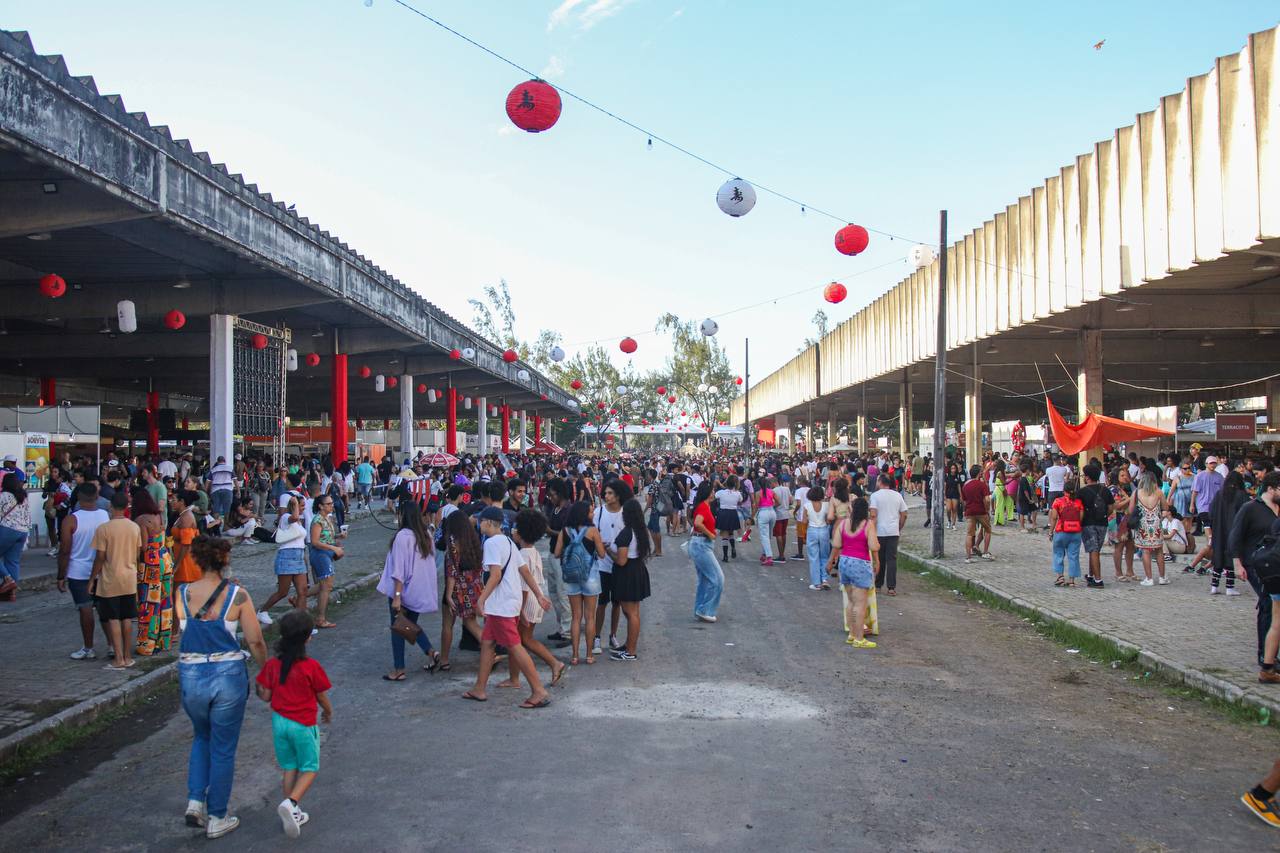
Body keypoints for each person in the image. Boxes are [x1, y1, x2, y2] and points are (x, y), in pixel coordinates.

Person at [177, 536, 268, 839]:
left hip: (191, 674)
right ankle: (217, 815)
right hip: (227, 675)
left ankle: (194, 801)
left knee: (202, 737)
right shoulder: (238, 595)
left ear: (198, 560)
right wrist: (265, 672)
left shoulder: (181, 593)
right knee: (223, 748)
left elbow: (183, 630)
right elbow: (255, 640)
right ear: (224, 560)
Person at [461, 507, 552, 708]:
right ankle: (479, 688)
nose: (478, 523)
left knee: (514, 646)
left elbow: (495, 575)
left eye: (480, 520)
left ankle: (539, 690)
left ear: (489, 522)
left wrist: (481, 600)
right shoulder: (508, 542)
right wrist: (539, 594)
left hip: (501, 604)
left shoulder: (493, 543)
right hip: (505, 603)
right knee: (487, 643)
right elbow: (525, 571)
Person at [255, 609, 332, 838]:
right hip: (303, 724)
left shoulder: (272, 665)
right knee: (309, 768)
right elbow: (321, 696)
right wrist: (328, 712)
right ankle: (291, 803)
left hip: (280, 722)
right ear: (308, 637)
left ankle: (292, 811)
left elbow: (265, 695)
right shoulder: (310, 666)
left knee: (290, 766)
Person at [500, 509, 568, 685]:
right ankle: (514, 678)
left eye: (515, 528)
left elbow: (523, 587)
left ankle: (554, 663)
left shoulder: (522, 555)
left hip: (526, 601)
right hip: (533, 599)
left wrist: (520, 610)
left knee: (522, 640)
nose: (512, 531)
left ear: (521, 532)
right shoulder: (533, 551)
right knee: (520, 641)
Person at [1228, 470, 1280, 675]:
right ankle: (1265, 656)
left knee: (1270, 606)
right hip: (1255, 563)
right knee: (1268, 603)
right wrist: (1237, 564)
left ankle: (1270, 655)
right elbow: (1235, 536)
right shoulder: (1250, 508)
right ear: (1270, 488)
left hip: (1275, 564)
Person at [90, 491, 143, 670]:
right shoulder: (134, 527)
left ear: (111, 507)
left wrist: (92, 579)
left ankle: (118, 658)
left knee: (113, 618)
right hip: (129, 577)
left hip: (110, 578)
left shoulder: (104, 529)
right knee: (127, 618)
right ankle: (128, 657)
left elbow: (100, 557)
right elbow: (137, 553)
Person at [57, 483, 109, 660]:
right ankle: (111, 645)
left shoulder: (71, 520)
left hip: (77, 570)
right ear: (97, 496)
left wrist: (60, 575)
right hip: (102, 569)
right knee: (104, 609)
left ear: (78, 497)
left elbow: (65, 549)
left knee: (85, 609)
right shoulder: (104, 516)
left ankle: (88, 647)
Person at [827, 497, 878, 648]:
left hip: (845, 562)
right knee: (860, 604)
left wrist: (830, 562)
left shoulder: (843, 524)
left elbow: (836, 544)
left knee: (850, 601)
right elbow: (873, 546)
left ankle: (851, 634)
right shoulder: (868, 525)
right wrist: (877, 558)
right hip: (860, 564)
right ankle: (859, 638)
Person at [438, 509, 486, 672]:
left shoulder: (453, 543)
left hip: (457, 590)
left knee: (447, 625)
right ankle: (490, 651)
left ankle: (444, 660)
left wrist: (448, 595)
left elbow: (452, 570)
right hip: (472, 588)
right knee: (471, 623)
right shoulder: (473, 540)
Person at [607, 498, 652, 661]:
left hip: (627, 573)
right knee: (634, 612)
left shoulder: (627, 532)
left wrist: (608, 552)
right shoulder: (640, 530)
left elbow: (621, 560)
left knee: (630, 613)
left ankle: (630, 651)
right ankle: (628, 645)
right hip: (637, 570)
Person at [593, 481, 632, 656]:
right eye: (605, 493)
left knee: (617, 603)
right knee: (601, 603)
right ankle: (596, 636)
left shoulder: (626, 514)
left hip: (620, 563)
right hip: (602, 564)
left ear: (618, 495)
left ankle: (612, 635)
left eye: (609, 493)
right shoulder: (598, 513)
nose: (606, 496)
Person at [257, 494, 308, 626]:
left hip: (298, 555)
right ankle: (263, 610)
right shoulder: (286, 517)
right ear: (294, 506)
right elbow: (294, 516)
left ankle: (301, 623)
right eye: (301, 505)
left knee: (302, 591)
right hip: (287, 556)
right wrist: (295, 503)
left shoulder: (298, 521)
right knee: (283, 592)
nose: (303, 508)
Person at [688, 480, 724, 623]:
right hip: (701, 544)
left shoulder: (705, 506)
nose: (714, 493)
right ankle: (705, 610)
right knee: (718, 579)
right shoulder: (703, 507)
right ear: (708, 493)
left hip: (701, 544)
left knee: (704, 580)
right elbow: (697, 523)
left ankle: (701, 609)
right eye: (712, 491)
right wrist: (710, 534)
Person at [307, 495, 344, 630]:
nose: (331, 505)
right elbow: (315, 541)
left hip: (325, 553)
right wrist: (334, 547)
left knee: (325, 585)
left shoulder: (327, 519)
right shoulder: (318, 520)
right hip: (319, 554)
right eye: (328, 504)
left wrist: (338, 536)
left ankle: (300, 597)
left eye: (331, 503)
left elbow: (326, 536)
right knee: (326, 587)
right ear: (320, 506)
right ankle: (320, 618)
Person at [1208, 471, 1249, 595]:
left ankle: (1214, 586)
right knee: (1232, 557)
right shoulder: (1242, 495)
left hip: (1219, 530)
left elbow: (1211, 512)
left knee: (1218, 555)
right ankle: (1229, 587)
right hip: (1235, 530)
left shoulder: (1220, 494)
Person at [867, 473, 906, 596]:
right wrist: (899, 526)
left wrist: (871, 530)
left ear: (880, 482)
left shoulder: (875, 496)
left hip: (879, 531)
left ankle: (878, 585)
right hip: (893, 531)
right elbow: (904, 514)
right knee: (892, 559)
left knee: (880, 559)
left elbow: (873, 515)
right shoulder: (898, 495)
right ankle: (891, 587)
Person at [1076, 464, 1113, 589]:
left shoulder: (1082, 492)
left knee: (1093, 550)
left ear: (1087, 477)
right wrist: (1103, 515)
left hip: (1088, 523)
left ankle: (1098, 580)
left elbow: (1078, 509)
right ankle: (1091, 575)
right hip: (1102, 523)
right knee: (1096, 550)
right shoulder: (1105, 490)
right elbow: (1111, 508)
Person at [1129, 472, 1168, 586]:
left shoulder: (1136, 493)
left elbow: (1131, 510)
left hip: (1143, 525)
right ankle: (1162, 577)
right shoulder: (1159, 493)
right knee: (1159, 550)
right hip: (1156, 524)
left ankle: (1149, 578)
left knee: (1145, 551)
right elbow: (1165, 507)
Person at [0, 472, 31, 600]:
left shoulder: (3, 496)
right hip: (22, 531)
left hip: (7, 529)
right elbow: (28, 515)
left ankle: (8, 579)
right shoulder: (23, 496)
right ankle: (11, 594)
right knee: (13, 561)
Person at [1048, 479, 1084, 587]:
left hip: (1061, 531)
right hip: (1076, 532)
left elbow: (1054, 517)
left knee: (1058, 553)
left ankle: (1060, 576)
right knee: (1073, 555)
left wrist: (1051, 532)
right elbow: (1081, 518)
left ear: (1064, 490)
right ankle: (1072, 580)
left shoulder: (1058, 501)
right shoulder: (1079, 502)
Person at [800, 485, 831, 591]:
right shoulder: (827, 505)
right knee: (824, 556)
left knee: (814, 557)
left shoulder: (807, 505)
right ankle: (825, 579)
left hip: (812, 530)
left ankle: (816, 583)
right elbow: (828, 520)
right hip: (824, 530)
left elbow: (804, 521)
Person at [961, 465, 994, 563]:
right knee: (988, 530)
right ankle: (985, 552)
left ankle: (968, 557)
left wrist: (965, 509)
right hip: (981, 511)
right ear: (979, 473)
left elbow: (964, 500)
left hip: (970, 511)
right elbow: (987, 499)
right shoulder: (982, 485)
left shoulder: (966, 485)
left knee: (969, 534)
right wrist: (987, 510)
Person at [713, 475, 743, 561]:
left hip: (723, 513)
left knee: (724, 534)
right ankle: (733, 547)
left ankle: (725, 556)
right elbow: (740, 501)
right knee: (731, 532)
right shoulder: (737, 493)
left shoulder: (721, 492)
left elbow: (714, 496)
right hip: (733, 513)